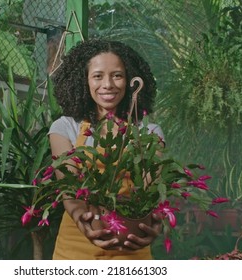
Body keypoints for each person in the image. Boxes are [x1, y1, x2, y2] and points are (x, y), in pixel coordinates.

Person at [48, 39, 164, 260]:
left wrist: (155, 220)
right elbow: (68, 187)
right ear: (84, 81)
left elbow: (152, 189)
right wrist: (82, 218)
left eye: (117, 75)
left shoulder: (149, 131)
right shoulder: (65, 127)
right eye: (98, 75)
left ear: (130, 81)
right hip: (75, 244)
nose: (108, 84)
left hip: (130, 243)